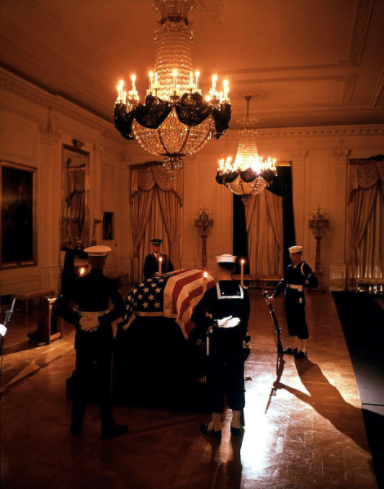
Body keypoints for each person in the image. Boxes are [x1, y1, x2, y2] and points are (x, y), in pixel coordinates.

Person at [53, 245, 128, 440]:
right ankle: (107, 427)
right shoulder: (109, 283)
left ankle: (76, 426)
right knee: (104, 380)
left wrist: (79, 320)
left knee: (81, 380)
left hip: (83, 336)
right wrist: (101, 320)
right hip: (102, 336)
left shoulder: (76, 283)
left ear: (88, 261)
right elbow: (122, 309)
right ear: (103, 261)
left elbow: (59, 307)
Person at [191, 254, 250, 439]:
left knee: (216, 381)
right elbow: (245, 323)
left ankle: (216, 425)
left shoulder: (211, 292)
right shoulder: (243, 293)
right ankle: (236, 423)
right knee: (236, 380)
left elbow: (195, 317)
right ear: (233, 270)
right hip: (235, 345)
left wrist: (211, 322)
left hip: (217, 346)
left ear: (218, 269)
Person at [268, 245, 318, 359]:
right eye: (290, 254)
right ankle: (293, 347)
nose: (291, 256)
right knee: (291, 321)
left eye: (293, 254)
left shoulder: (304, 267)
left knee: (300, 321)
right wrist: (274, 295)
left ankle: (303, 349)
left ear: (299, 255)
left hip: (298, 296)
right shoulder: (289, 267)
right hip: (289, 296)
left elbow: (314, 282)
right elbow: (283, 282)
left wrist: (303, 284)